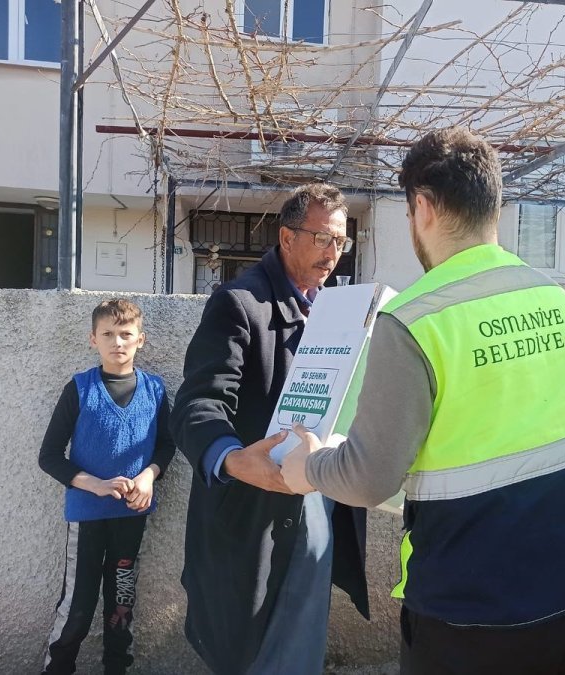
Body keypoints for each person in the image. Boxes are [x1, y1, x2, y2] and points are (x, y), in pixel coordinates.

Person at [281, 127, 565, 675]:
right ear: (493, 208)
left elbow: (369, 478)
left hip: (473, 609)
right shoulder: (555, 300)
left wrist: (308, 467)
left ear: (423, 206)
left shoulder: (414, 318)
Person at [169, 183, 369, 675]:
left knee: (302, 640)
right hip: (254, 510)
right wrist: (234, 458)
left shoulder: (339, 310)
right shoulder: (239, 303)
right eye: (321, 239)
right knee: (253, 650)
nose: (332, 253)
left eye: (340, 242)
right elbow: (197, 405)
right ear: (286, 236)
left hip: (319, 495)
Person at [38, 298, 176, 675]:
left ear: (140, 340)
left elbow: (167, 444)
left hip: (131, 516)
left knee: (121, 605)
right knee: (78, 607)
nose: (118, 342)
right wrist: (94, 485)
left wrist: (149, 476)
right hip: (87, 517)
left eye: (126, 335)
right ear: (93, 339)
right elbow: (49, 456)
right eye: (108, 334)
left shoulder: (155, 390)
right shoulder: (80, 389)